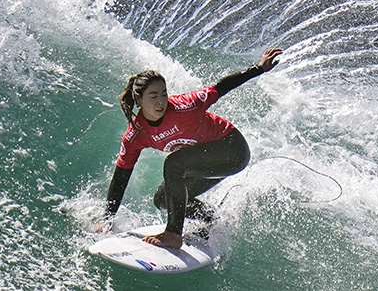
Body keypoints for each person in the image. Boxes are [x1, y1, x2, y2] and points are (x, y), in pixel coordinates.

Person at [93, 48, 283, 249]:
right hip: (206, 161)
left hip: (232, 150)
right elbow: (121, 176)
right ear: (139, 100)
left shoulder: (185, 106)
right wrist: (107, 218)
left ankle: (173, 234)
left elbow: (220, 87)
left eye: (164, 94)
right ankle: (212, 219)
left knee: (174, 163)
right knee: (163, 199)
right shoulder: (136, 135)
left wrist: (258, 68)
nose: (160, 101)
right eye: (153, 96)